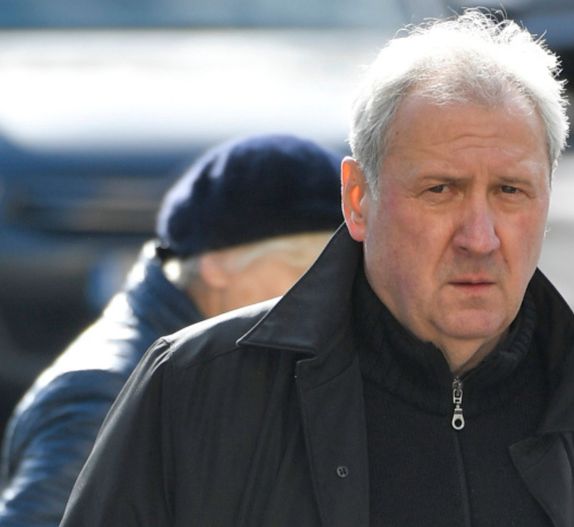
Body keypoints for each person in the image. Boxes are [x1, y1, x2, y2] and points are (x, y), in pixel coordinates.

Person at [60, 11, 574, 526]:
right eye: (441, 190)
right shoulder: (192, 395)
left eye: (510, 191)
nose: (480, 237)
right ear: (358, 199)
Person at [0, 133, 343, 526]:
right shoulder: (108, 397)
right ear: (216, 264)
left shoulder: (227, 359)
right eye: (309, 268)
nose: (329, 291)